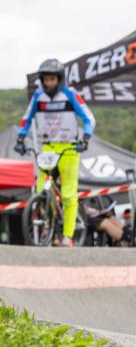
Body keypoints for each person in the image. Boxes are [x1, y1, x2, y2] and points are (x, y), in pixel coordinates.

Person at [15, 59, 96, 247]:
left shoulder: (70, 94)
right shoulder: (37, 96)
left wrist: (85, 139)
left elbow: (89, 119)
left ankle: (68, 236)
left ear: (60, 79)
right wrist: (20, 138)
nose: (49, 83)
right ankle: (48, 222)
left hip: (69, 148)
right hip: (48, 147)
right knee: (41, 189)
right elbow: (26, 119)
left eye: (52, 79)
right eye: (45, 80)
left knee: (68, 194)